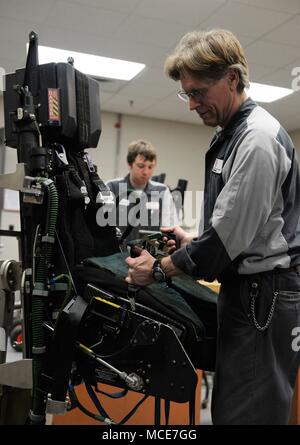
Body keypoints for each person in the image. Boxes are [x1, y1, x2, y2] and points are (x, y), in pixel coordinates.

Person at [125, 29, 300, 425]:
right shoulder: (232, 134)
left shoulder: (256, 140)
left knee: (247, 414)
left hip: (265, 297)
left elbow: (225, 239)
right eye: (186, 93)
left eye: (199, 92)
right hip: (249, 292)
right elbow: (235, 229)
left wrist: (158, 269)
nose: (191, 104)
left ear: (232, 79)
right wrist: (194, 242)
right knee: (234, 407)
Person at [106, 139, 178, 243]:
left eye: (150, 167)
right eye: (141, 166)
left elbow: (170, 227)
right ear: (130, 164)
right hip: (117, 254)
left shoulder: (162, 191)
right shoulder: (111, 187)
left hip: (149, 256)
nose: (146, 172)